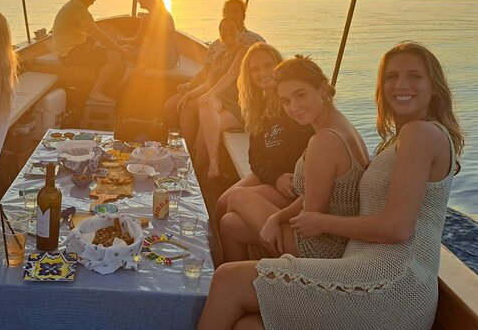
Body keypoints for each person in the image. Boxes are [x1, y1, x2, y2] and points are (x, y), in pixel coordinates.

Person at [198, 42, 464, 330]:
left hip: (392, 286)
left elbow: (397, 228)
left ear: (434, 86)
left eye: (414, 76)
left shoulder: (419, 133)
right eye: (391, 77)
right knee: (247, 326)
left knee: (228, 280)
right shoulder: (399, 139)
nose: (401, 84)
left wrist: (323, 222)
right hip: (369, 270)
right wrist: (281, 216)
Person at [219, 55, 369, 262]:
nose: (293, 107)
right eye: (286, 101)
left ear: (323, 90)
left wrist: (276, 221)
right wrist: (275, 218)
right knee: (229, 224)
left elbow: (310, 220)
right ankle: (246, 280)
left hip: (322, 249)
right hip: (338, 239)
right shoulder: (341, 125)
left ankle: (258, 275)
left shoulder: (324, 141)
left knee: (237, 196)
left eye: (300, 95)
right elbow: (311, 198)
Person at [214, 43, 314, 251]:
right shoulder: (258, 105)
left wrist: (281, 178)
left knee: (232, 208)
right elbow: (255, 157)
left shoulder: (292, 104)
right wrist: (274, 176)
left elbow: (306, 154)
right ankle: (223, 263)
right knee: (221, 204)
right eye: (255, 69)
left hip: (293, 183)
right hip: (273, 175)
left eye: (268, 66)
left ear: (279, 65)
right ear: (248, 75)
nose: (262, 73)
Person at [164, 0, 262, 149]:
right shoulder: (217, 45)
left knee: (190, 106)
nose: (231, 14)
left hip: (232, 96)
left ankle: (190, 151)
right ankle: (180, 147)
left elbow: (257, 73)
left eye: (235, 11)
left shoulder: (254, 42)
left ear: (243, 15)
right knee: (171, 105)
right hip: (211, 88)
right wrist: (190, 85)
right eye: (228, 11)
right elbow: (206, 71)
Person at [194, 0, 266, 178]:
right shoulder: (219, 55)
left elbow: (231, 75)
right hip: (226, 101)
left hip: (242, 105)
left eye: (231, 29)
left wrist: (209, 93)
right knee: (206, 108)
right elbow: (209, 81)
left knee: (208, 125)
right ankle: (202, 167)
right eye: (223, 30)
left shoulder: (245, 50)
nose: (228, 33)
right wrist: (192, 93)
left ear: (239, 31)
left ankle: (207, 165)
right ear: (219, 33)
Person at [52, 0, 132, 103]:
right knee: (115, 57)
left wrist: (104, 45)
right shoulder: (80, 10)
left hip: (70, 50)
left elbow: (88, 35)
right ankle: (96, 92)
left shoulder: (73, 5)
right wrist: (121, 50)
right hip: (71, 55)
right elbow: (99, 36)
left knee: (109, 51)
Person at [121, 0, 179, 70]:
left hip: (161, 60)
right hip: (172, 60)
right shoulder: (166, 13)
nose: (138, 0)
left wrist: (121, 40)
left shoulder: (148, 18)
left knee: (123, 49)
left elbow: (137, 41)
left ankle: (125, 77)